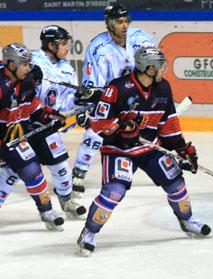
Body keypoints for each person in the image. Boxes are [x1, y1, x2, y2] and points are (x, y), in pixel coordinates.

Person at [76, 46, 211, 257]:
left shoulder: (163, 89)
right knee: (115, 191)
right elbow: (97, 121)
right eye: (160, 67)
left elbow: (169, 124)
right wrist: (121, 129)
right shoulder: (118, 88)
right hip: (119, 151)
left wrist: (181, 148)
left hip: (149, 147)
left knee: (175, 182)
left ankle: (186, 220)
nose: (163, 70)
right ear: (149, 69)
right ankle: (89, 232)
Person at [0, 25, 86, 218]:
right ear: (50, 45)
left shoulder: (66, 69)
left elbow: (53, 104)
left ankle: (66, 201)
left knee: (60, 164)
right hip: (18, 125)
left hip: (37, 123)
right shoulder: (34, 61)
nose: (67, 48)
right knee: (12, 171)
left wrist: (78, 102)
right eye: (63, 44)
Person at [72, 2, 155, 196]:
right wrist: (89, 105)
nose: (124, 25)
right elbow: (94, 83)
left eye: (126, 21)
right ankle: (79, 173)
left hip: (137, 94)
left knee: (150, 129)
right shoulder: (98, 47)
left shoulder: (141, 38)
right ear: (109, 24)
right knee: (95, 133)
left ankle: (158, 164)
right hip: (111, 97)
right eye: (119, 22)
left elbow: (154, 65)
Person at [0, 43, 66, 230]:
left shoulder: (27, 81)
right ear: (11, 64)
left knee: (32, 170)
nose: (28, 68)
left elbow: (33, 107)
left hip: (12, 139)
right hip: (4, 138)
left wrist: (49, 116)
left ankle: (46, 211)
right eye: (24, 64)